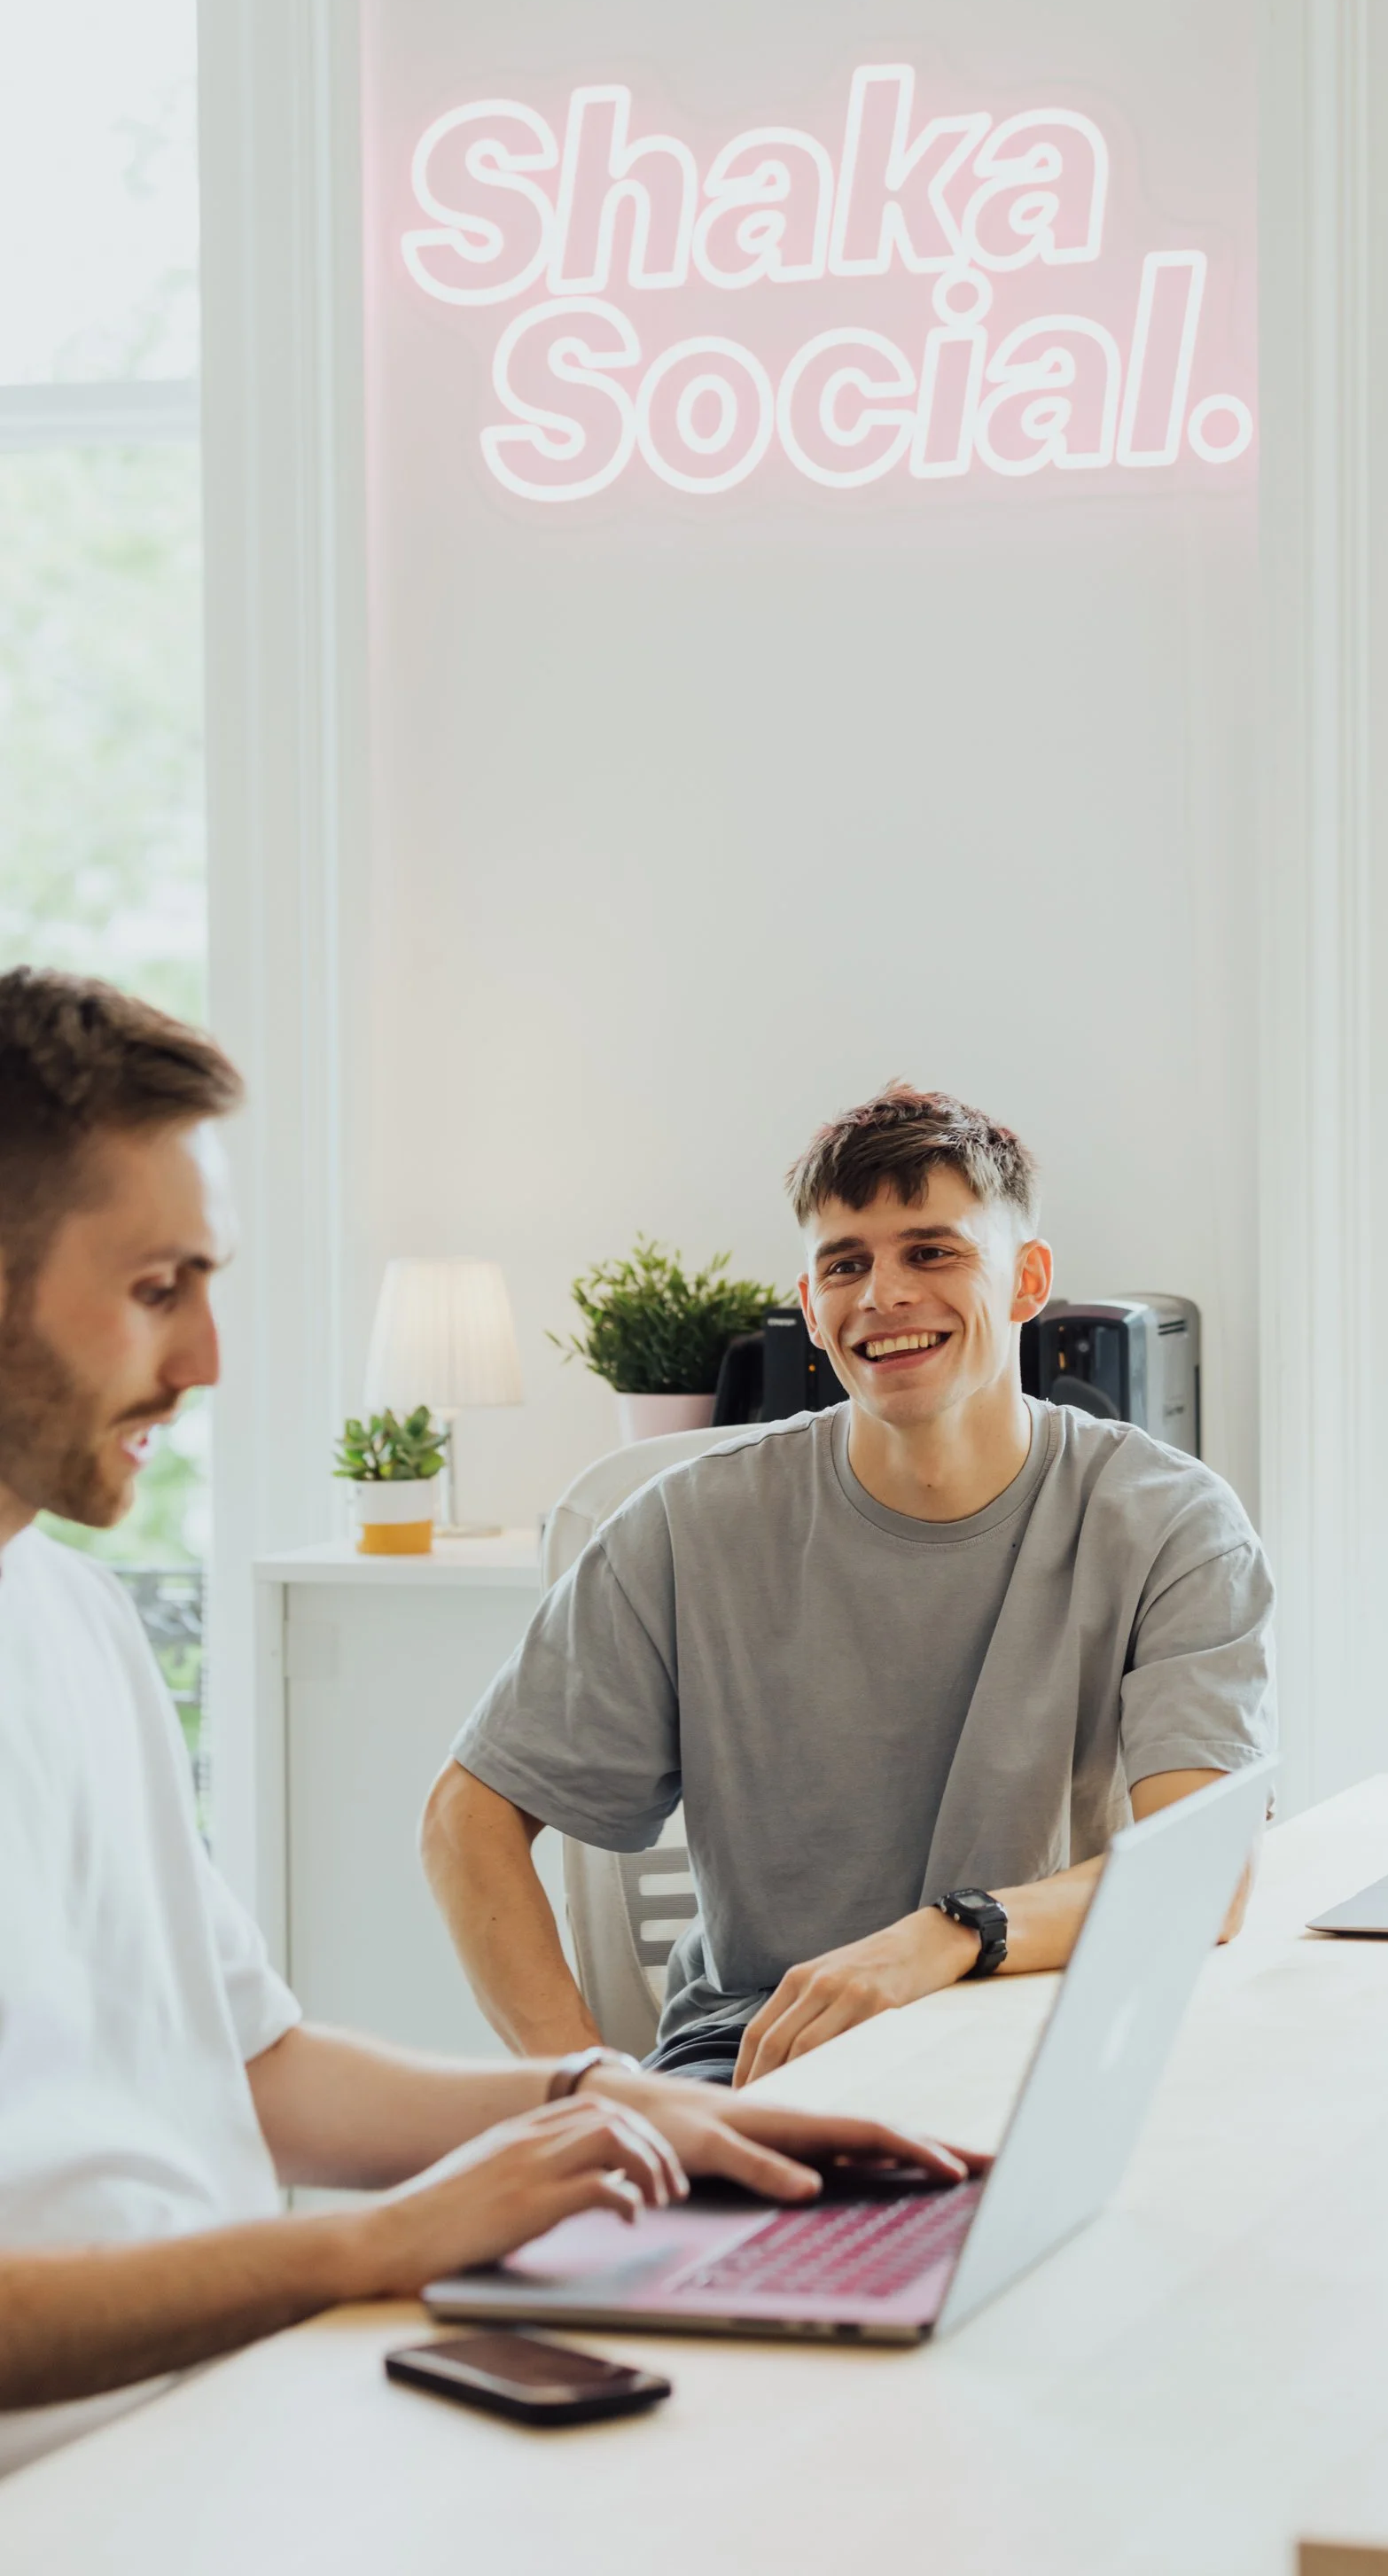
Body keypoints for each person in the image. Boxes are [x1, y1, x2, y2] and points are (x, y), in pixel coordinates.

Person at [0, 971, 964, 2477]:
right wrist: (370, 2250)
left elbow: (254, 2070)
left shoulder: (73, 1618)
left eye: (207, 1286)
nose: (206, 1364)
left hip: (230, 2413)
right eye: (153, 1290)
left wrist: (605, 2102)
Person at [424, 1083, 1275, 2089]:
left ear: (1027, 1281)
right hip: (768, 2047)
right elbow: (465, 1821)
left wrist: (944, 1937)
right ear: (810, 1307)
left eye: (932, 1251)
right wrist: (585, 2092)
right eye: (846, 1265)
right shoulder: (688, 1526)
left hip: (1047, 2020)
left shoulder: (1170, 1518)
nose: (882, 1295)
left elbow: (1200, 1868)